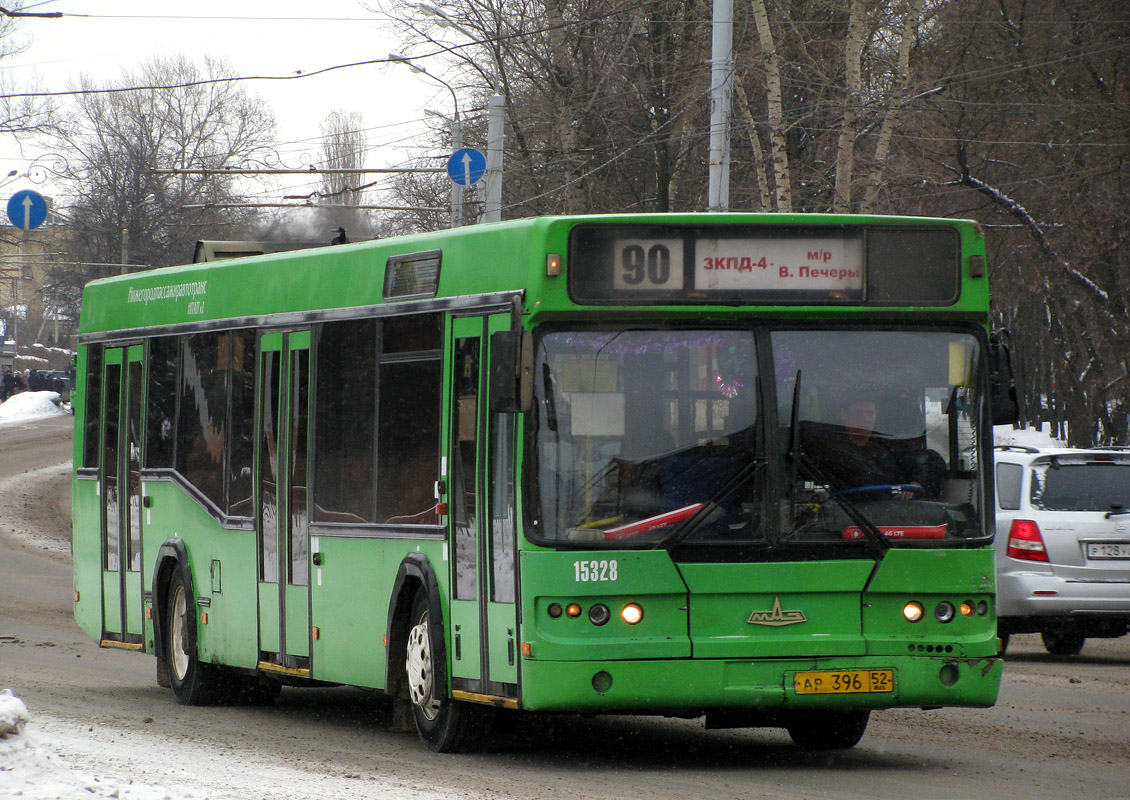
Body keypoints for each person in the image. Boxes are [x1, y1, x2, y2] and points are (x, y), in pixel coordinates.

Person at [801, 395, 944, 500]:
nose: (865, 418)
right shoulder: (828, 450)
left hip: (891, 514)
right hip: (851, 516)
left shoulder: (888, 448)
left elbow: (930, 459)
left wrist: (916, 483)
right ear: (844, 415)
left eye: (870, 413)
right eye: (858, 412)